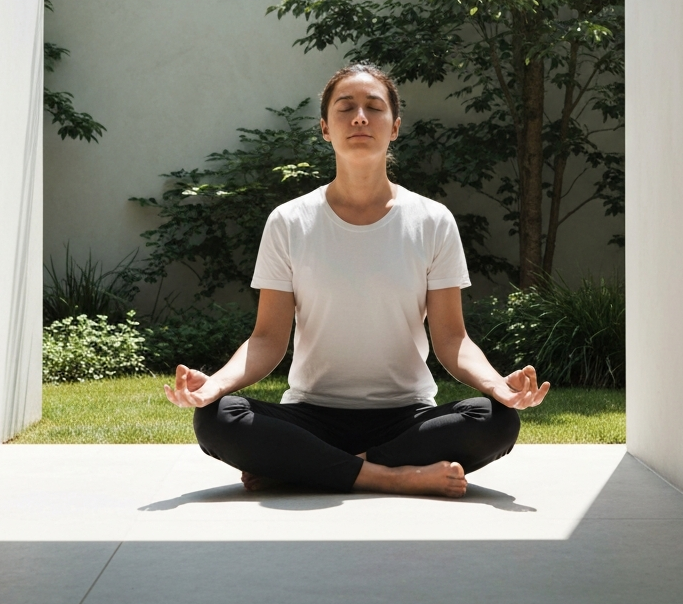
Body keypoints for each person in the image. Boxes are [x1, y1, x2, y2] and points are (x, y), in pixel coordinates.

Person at [164, 63, 550, 498]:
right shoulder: (289, 221)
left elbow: (451, 339)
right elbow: (268, 339)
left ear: (395, 126)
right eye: (346, 108)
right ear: (326, 128)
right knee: (217, 418)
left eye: (374, 107)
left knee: (496, 420)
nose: (360, 117)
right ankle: (389, 476)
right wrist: (213, 385)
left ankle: (306, 469)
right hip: (312, 416)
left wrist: (499, 385)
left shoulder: (432, 220)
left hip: (406, 419)